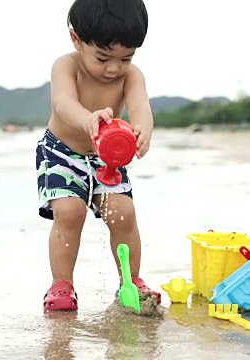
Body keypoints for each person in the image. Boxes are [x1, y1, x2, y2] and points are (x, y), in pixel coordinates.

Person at [35, 0, 160, 311]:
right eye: (103, 58)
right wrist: (87, 119)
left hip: (106, 158)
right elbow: (63, 103)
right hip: (62, 152)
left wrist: (142, 130)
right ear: (77, 40)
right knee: (70, 212)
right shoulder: (66, 65)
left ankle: (130, 281)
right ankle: (62, 283)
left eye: (126, 58)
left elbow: (141, 108)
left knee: (124, 213)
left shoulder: (132, 76)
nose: (114, 68)